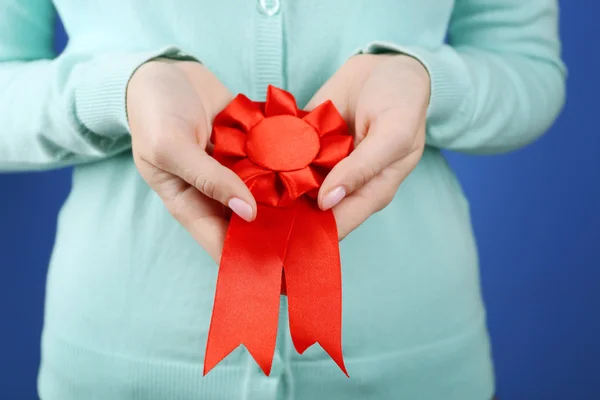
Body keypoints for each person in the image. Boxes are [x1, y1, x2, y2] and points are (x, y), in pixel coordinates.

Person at [0, 0, 565, 399]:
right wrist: (116, 92)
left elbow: (528, 67)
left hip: (415, 358)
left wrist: (424, 80)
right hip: (118, 360)